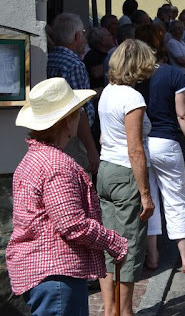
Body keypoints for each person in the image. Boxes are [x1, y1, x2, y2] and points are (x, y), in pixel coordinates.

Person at [7, 78, 128, 316]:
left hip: (46, 273)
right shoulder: (56, 165)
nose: (80, 117)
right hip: (56, 274)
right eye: (77, 112)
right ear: (66, 121)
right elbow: (72, 223)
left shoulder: (33, 159)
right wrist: (114, 243)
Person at [134, 27, 185, 275]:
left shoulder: (134, 77)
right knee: (176, 198)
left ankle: (152, 256)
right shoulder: (172, 74)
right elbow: (183, 114)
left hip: (141, 143)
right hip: (165, 142)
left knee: (149, 199)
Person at [97, 39, 156, 316]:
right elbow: (135, 149)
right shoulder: (132, 98)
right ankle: (125, 311)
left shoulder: (107, 92)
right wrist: (145, 194)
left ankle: (111, 310)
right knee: (129, 246)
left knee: (108, 243)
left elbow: (103, 136)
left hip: (106, 169)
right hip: (124, 173)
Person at [47, 13, 100, 174]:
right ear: (77, 36)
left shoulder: (49, 57)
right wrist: (91, 149)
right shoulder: (74, 64)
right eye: (83, 33)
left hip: (54, 131)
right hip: (73, 136)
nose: (85, 38)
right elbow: (78, 109)